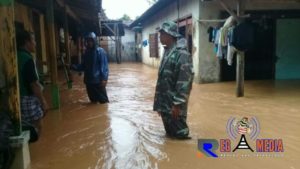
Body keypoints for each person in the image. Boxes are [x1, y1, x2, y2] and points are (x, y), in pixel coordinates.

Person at [153, 21, 194, 139]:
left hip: (174, 105)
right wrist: (160, 104)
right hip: (165, 104)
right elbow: (162, 79)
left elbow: (184, 81)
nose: (160, 37)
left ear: (170, 35)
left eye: (162, 34)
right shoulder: (167, 51)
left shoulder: (181, 54)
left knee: (180, 136)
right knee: (170, 135)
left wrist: (177, 104)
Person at [16, 30, 48, 134]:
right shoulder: (27, 58)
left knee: (25, 129)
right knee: (37, 128)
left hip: (18, 98)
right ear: (27, 42)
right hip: (28, 98)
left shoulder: (16, 55)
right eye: (33, 40)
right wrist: (43, 102)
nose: (35, 43)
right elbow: (34, 84)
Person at [72, 32, 109, 104]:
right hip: (89, 82)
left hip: (98, 82)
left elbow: (104, 66)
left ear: (94, 41)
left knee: (103, 102)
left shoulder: (100, 51)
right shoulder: (87, 53)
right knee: (93, 102)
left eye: (91, 40)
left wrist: (104, 79)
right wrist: (73, 67)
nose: (89, 42)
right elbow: (83, 66)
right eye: (88, 41)